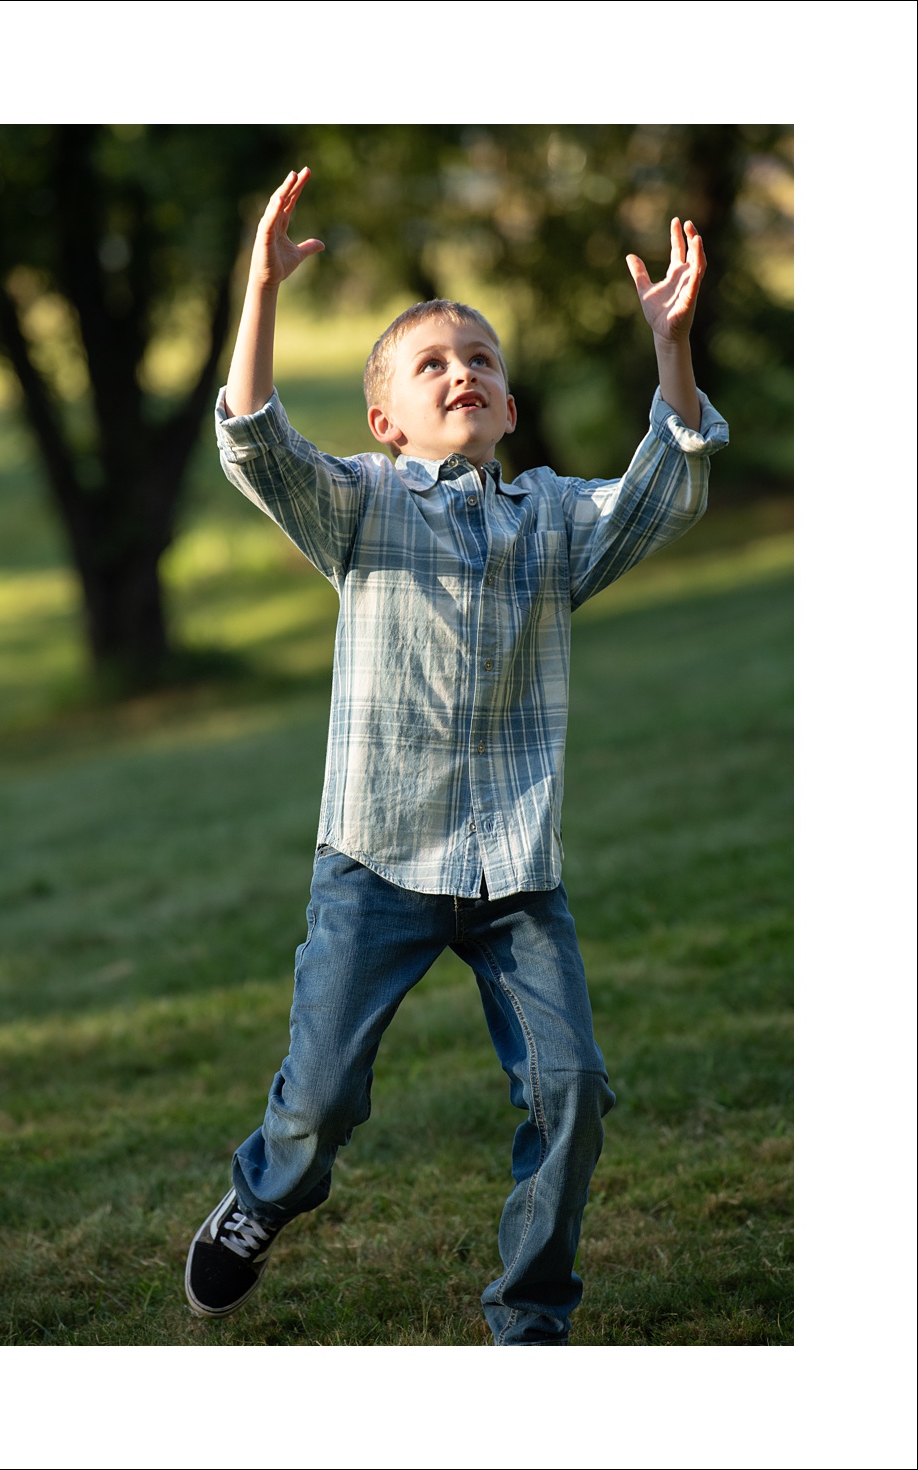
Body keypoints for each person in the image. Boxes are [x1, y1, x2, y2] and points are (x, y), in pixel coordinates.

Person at [183, 169, 727, 1343]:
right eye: (429, 365)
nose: (459, 373)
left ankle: (528, 1319)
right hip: (374, 860)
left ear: (508, 404)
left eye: (477, 359)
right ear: (385, 419)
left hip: (511, 873)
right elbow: (251, 443)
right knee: (320, 1101)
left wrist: (669, 352)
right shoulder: (361, 508)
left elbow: (666, 490)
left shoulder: (553, 523)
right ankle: (265, 1191)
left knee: (572, 1090)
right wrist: (259, 294)